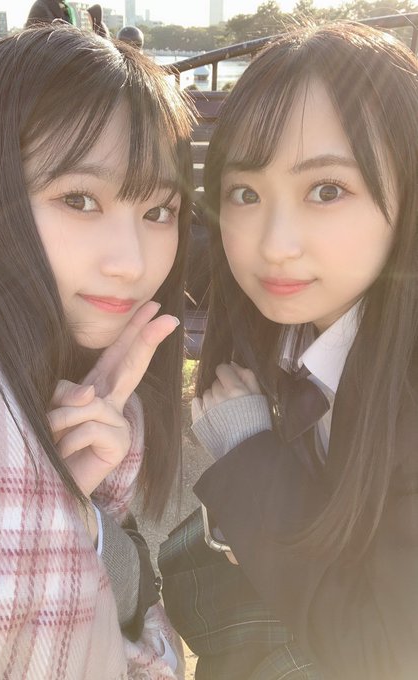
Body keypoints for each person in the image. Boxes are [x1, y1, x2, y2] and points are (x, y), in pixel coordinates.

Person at [0, 24, 193, 680]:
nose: (131, 263)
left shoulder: (87, 366)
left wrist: (72, 510)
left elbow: (134, 584)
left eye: (159, 211)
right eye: (79, 199)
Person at [187, 21, 418, 680]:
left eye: (326, 190)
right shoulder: (288, 326)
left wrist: (249, 455)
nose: (274, 244)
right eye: (246, 194)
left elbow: (386, 652)